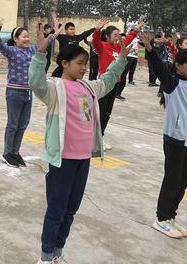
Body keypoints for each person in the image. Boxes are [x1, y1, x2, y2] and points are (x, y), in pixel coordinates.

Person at [29, 23, 129, 264]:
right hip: (62, 160)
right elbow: (36, 82)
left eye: (86, 64)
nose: (84, 69)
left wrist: (122, 59)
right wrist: (40, 54)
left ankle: (57, 251)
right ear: (64, 64)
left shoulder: (88, 87)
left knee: (71, 210)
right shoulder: (55, 88)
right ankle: (45, 255)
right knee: (56, 210)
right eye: (79, 64)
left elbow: (108, 79)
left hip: (83, 159)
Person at [0, 19, 61, 168]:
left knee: (23, 124)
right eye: (23, 36)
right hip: (14, 92)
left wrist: (56, 30)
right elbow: (0, 45)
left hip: (28, 92)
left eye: (27, 36)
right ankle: (7, 153)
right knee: (13, 124)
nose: (26, 39)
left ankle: (15, 152)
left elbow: (46, 42)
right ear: (16, 39)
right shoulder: (11, 51)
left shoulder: (32, 50)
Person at [141, 35, 187, 239]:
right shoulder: (172, 83)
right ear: (178, 66)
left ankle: (171, 217)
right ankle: (161, 218)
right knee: (172, 180)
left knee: (183, 182)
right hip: (175, 139)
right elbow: (159, 67)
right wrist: (150, 49)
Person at [92, 17, 141, 150]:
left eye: (119, 35)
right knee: (100, 112)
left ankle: (100, 137)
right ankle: (95, 139)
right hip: (104, 84)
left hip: (115, 84)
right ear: (107, 36)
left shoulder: (119, 47)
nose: (118, 37)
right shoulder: (102, 46)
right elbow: (95, 41)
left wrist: (137, 28)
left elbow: (129, 38)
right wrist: (97, 30)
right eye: (115, 35)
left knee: (107, 113)